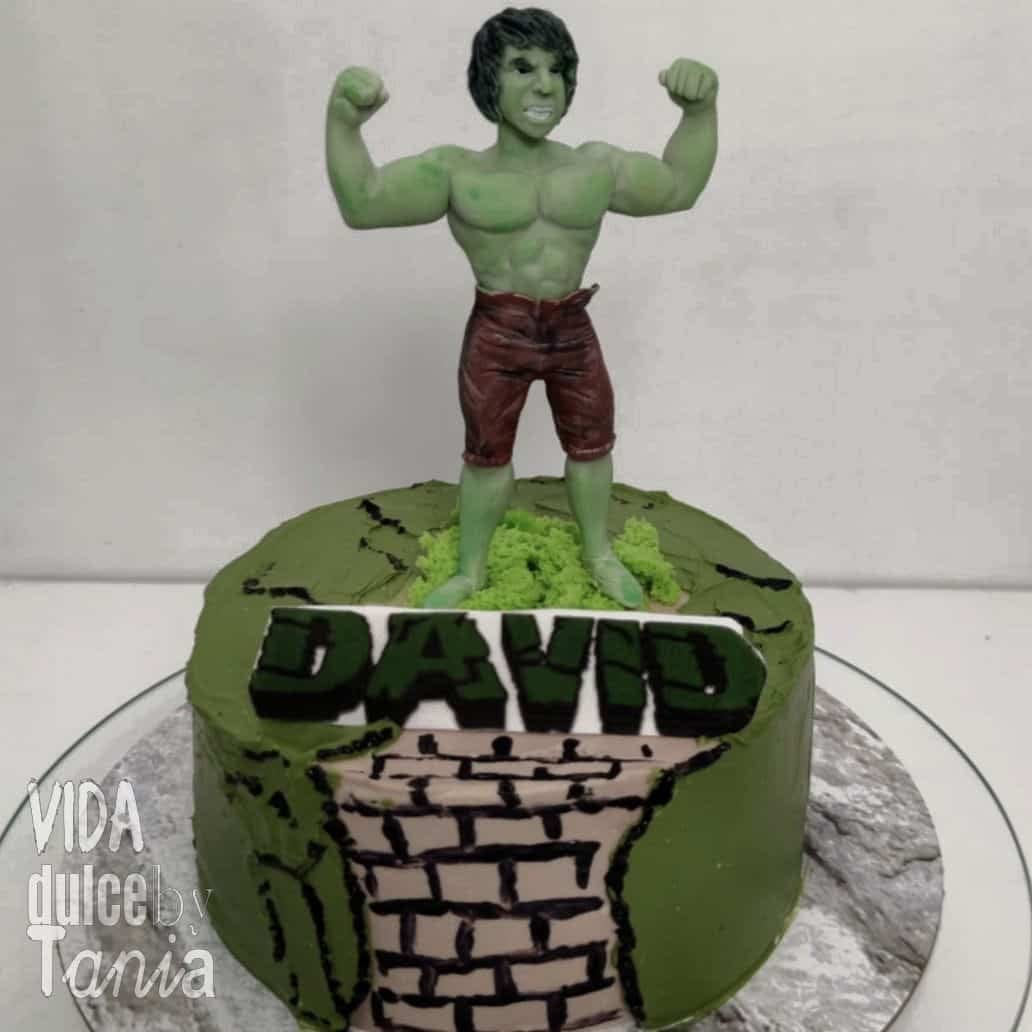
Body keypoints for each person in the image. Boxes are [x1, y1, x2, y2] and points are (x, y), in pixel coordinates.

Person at [326, 7, 718, 609]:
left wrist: (699, 113)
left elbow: (677, 186)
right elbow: (364, 202)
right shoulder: (457, 170)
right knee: (487, 455)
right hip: (498, 329)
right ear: (490, 80)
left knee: (592, 445)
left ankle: (599, 554)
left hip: (571, 325)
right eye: (523, 68)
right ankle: (471, 571)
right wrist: (344, 123)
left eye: (557, 71)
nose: (544, 85)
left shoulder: (594, 165)